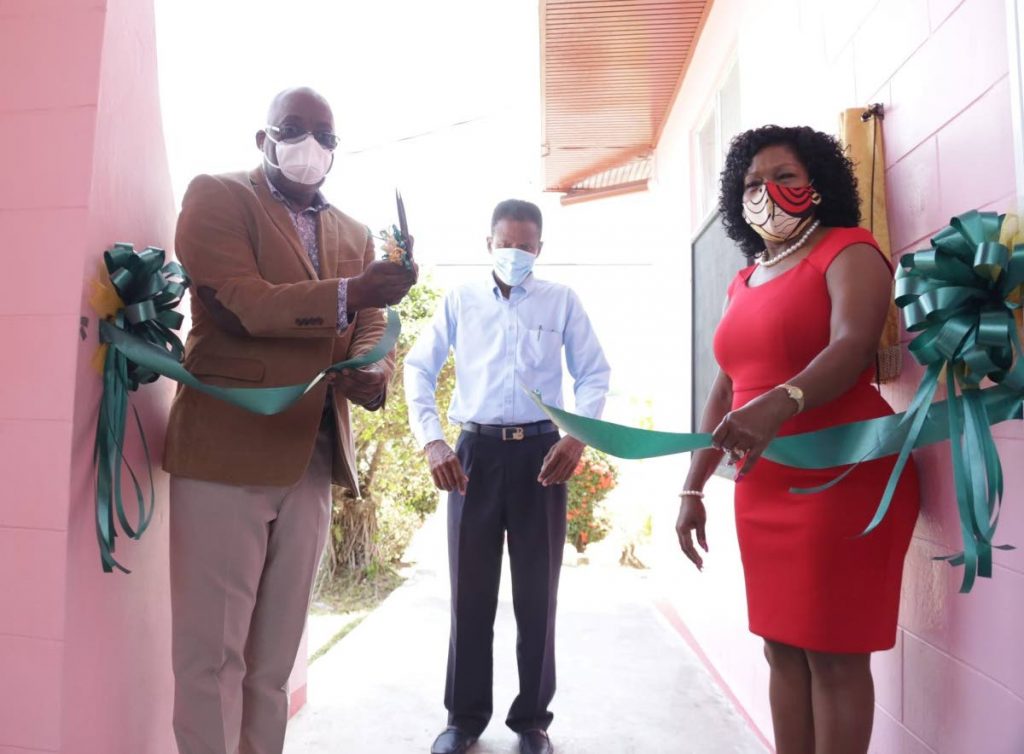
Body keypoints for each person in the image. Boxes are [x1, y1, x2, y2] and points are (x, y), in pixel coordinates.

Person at [162, 87, 417, 754]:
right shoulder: (217, 197)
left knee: (272, 667)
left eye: (325, 136)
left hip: (311, 459)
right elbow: (241, 302)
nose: (312, 146)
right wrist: (352, 292)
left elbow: (368, 327)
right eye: (294, 129)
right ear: (263, 138)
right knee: (210, 658)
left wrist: (372, 369)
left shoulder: (355, 233)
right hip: (225, 452)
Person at [675, 125, 919, 754]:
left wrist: (780, 404)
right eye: (754, 182)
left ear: (817, 184)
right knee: (780, 647)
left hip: (841, 472)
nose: (768, 191)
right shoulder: (742, 280)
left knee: (834, 655)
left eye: (785, 176)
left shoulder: (848, 249)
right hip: (766, 482)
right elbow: (727, 390)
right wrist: (693, 484)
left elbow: (852, 345)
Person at [405, 199, 610, 754]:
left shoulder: (561, 301)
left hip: (542, 455)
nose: (515, 253)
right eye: (506, 243)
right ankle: (463, 719)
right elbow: (418, 367)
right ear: (487, 243)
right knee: (469, 592)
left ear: (540, 249)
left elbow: (593, 373)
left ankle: (532, 722)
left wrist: (576, 436)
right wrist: (432, 440)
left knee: (536, 593)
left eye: (526, 245)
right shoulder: (460, 301)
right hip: (472, 454)